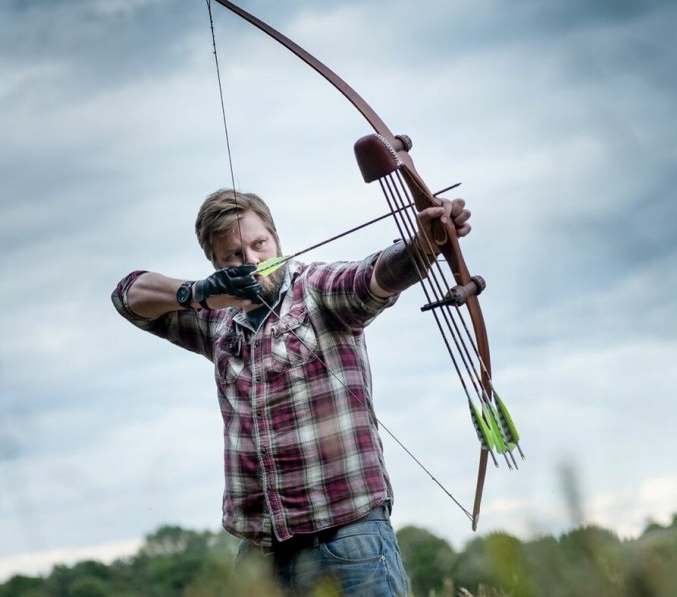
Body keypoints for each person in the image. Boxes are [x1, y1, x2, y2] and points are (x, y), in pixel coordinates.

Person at [111, 188, 472, 596]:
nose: (251, 260)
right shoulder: (215, 323)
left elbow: (373, 278)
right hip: (261, 556)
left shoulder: (316, 289)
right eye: (234, 256)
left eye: (259, 244)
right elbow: (127, 297)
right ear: (215, 265)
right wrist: (199, 294)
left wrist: (425, 244)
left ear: (276, 238)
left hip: (347, 540)